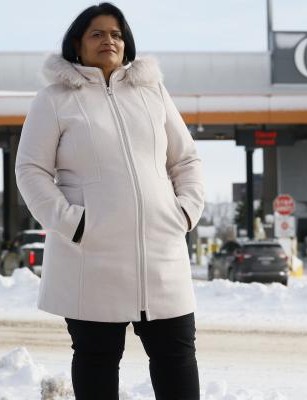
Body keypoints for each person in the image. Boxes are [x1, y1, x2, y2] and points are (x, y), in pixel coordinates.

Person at [14, 3, 204, 399]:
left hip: (161, 253)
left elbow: (185, 159)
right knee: (97, 360)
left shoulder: (152, 92)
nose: (109, 40)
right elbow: (31, 170)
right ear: (77, 45)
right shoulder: (54, 99)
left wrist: (185, 212)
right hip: (91, 255)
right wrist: (73, 224)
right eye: (97, 34)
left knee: (177, 357)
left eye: (116, 33)